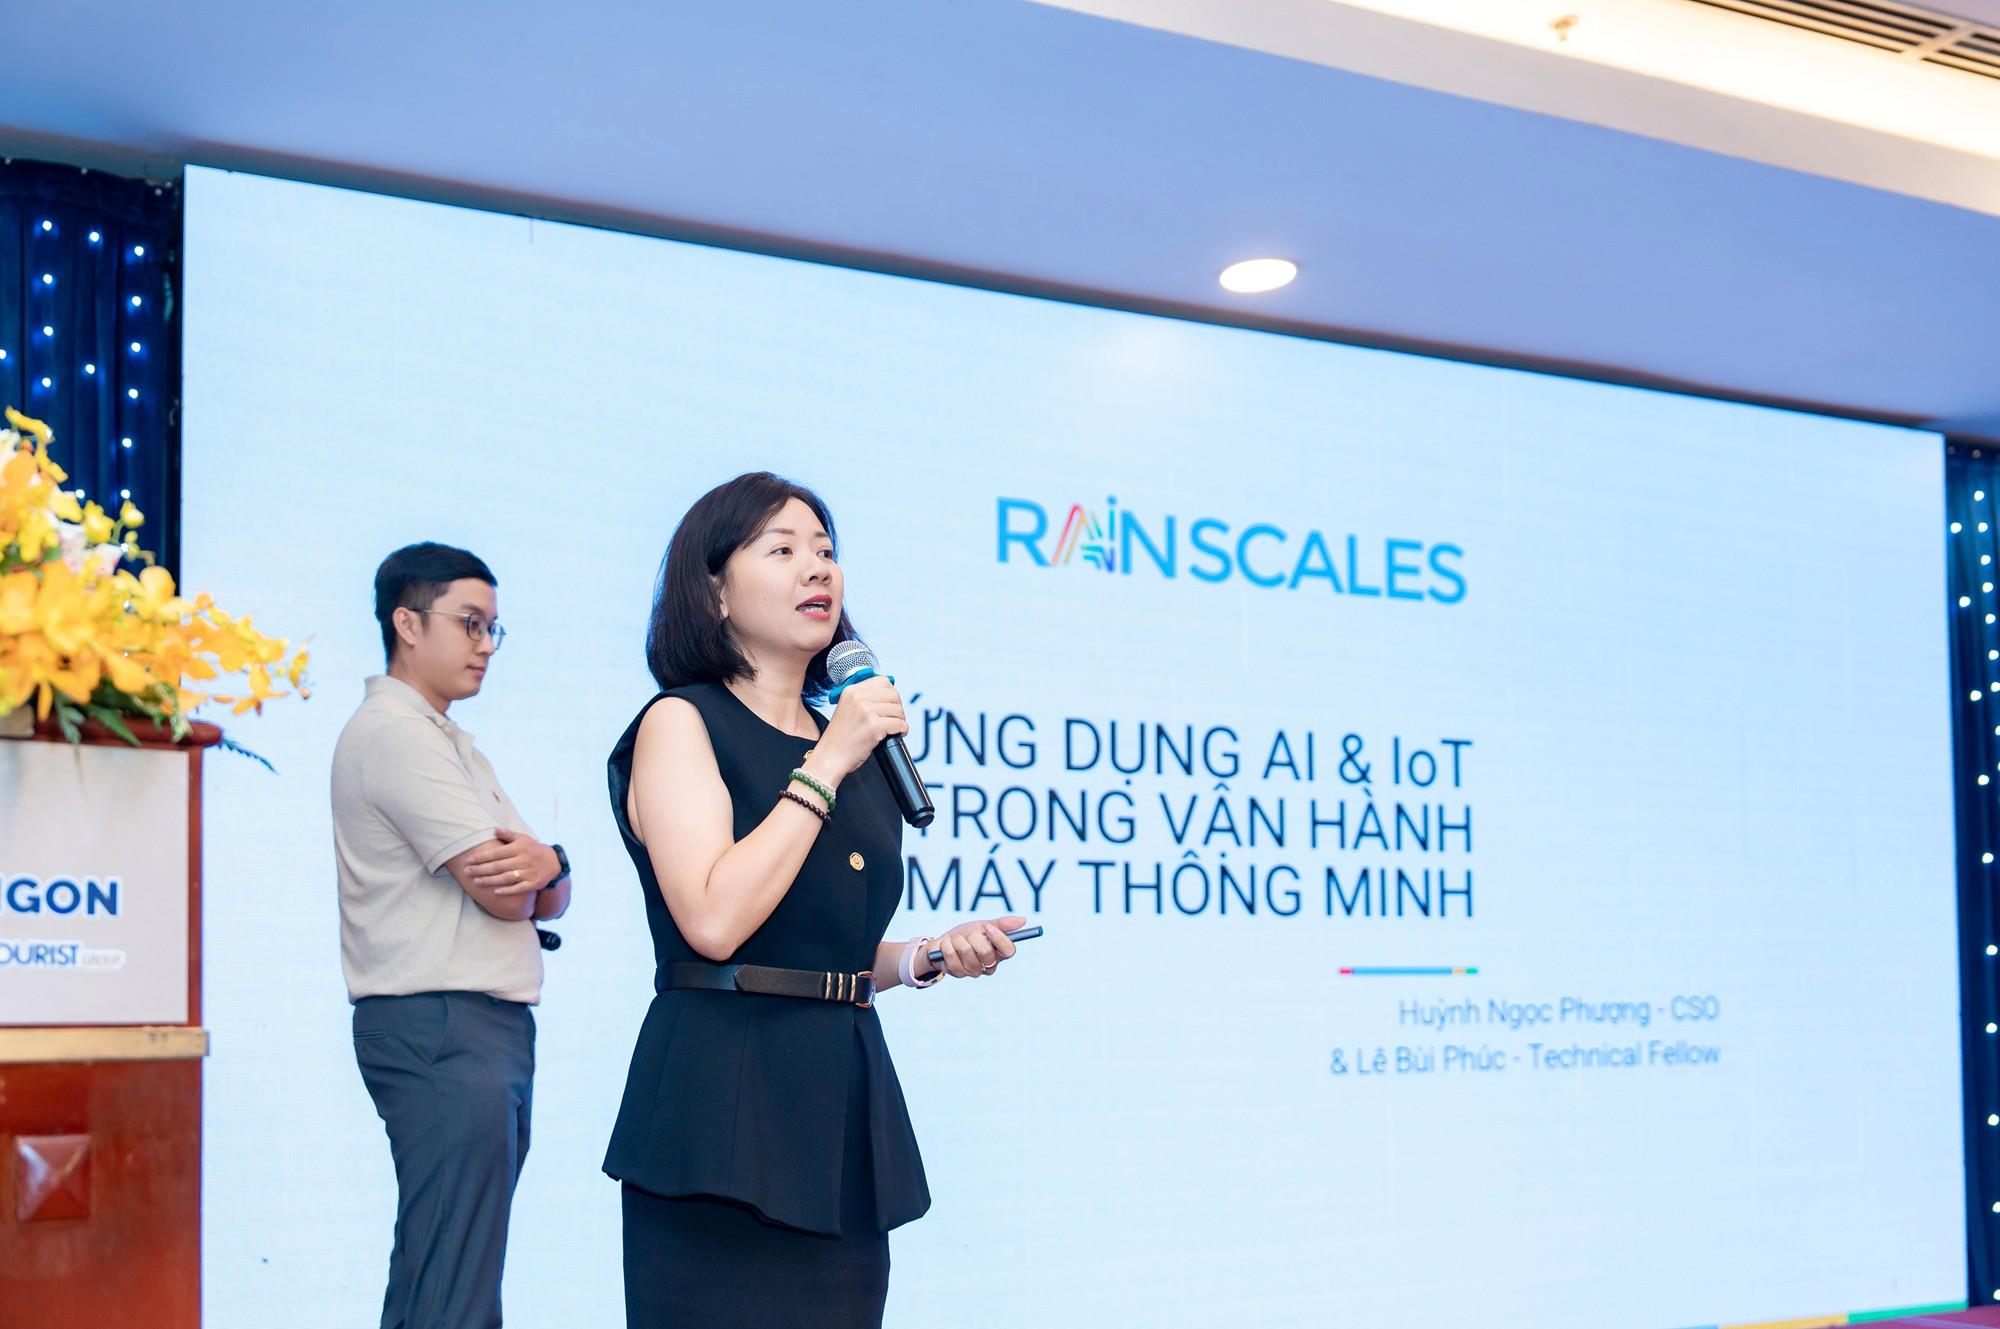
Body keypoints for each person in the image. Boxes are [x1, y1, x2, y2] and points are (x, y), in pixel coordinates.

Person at [606, 473, 1023, 1327]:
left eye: (827, 551)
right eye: (783, 549)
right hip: (720, 1110)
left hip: (841, 1113)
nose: (817, 568)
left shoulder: (857, 752)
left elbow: (818, 942)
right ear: (715, 591)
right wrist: (827, 761)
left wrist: (926, 955)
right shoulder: (682, 723)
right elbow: (715, 920)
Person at [331, 542, 574, 1329]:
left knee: (446, 1272)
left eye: (494, 628)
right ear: (408, 623)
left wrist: (551, 864)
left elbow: (549, 890)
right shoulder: (395, 734)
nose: (486, 645)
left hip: (471, 1026)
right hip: (442, 1023)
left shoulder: (447, 740)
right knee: (452, 1282)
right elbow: (508, 891)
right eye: (470, 623)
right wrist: (545, 867)